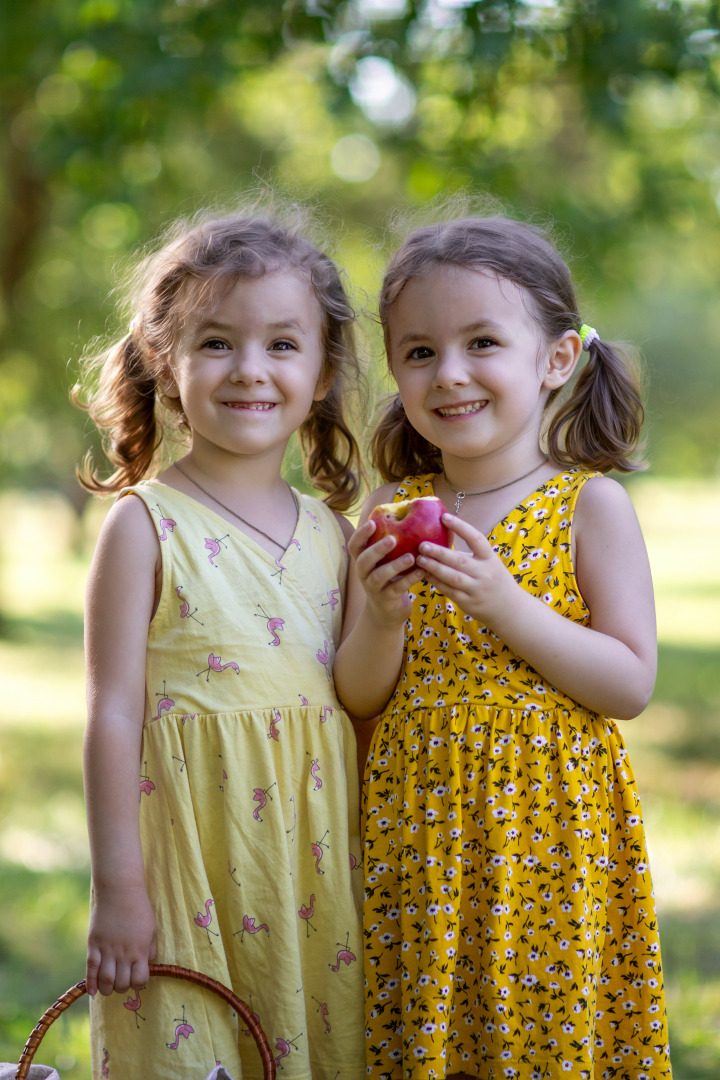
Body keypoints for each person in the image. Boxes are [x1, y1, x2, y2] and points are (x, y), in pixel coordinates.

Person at [334, 215, 672, 1080]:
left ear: (556, 359)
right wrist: (380, 616)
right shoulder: (391, 507)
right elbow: (360, 695)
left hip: (551, 832)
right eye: (418, 352)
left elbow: (629, 682)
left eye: (482, 342)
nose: (449, 374)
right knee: (428, 1032)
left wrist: (505, 603)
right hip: (422, 829)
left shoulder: (587, 506)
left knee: (540, 1032)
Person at [74, 208, 366, 1080]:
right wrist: (119, 890)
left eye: (282, 345)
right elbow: (112, 714)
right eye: (216, 344)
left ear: (321, 373)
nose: (251, 370)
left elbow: (357, 696)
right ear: (166, 365)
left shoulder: (335, 535)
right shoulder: (146, 527)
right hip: (188, 858)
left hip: (314, 863)